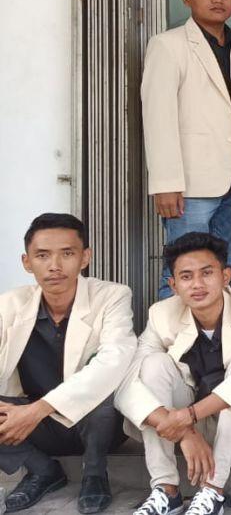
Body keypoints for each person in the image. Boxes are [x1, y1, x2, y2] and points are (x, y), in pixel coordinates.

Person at [119, 233, 231, 515]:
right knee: (153, 364)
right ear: (173, 285)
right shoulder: (160, 314)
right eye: (186, 276)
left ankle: (213, 490)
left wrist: (189, 416)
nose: (197, 284)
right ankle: (166, 491)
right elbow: (125, 387)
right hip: (180, 427)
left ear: (225, 276)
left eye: (207, 273)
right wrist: (185, 431)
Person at [0, 214, 135, 514]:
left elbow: (114, 360)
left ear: (85, 257)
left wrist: (38, 409)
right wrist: (25, 412)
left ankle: (95, 474)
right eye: (42, 256)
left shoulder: (112, 296)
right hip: (35, 428)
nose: (55, 266)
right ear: (26, 262)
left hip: (98, 423)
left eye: (67, 253)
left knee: (104, 390)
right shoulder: (9, 304)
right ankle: (42, 470)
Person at [143, 0, 231, 296]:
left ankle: (216, 330)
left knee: (226, 268)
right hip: (190, 186)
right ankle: (171, 331)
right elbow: (158, 117)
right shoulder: (168, 45)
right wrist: (166, 183)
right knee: (184, 270)